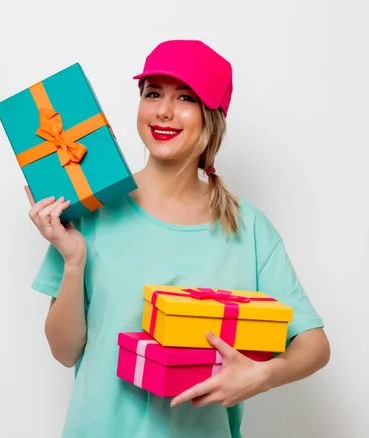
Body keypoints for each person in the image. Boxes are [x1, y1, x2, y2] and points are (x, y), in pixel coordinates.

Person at [24, 39, 330, 438]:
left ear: (212, 117)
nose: (164, 111)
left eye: (185, 97)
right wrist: (73, 261)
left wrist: (261, 376)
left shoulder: (247, 228)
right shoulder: (92, 207)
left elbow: (314, 345)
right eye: (153, 93)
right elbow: (64, 353)